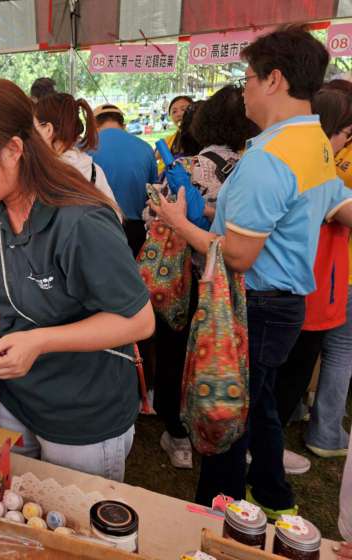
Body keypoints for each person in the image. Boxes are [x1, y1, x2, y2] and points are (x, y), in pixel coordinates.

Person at [153, 25, 352, 518]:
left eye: (247, 78)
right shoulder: (313, 141)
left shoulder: (269, 157)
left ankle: (220, 514)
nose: (243, 90)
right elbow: (328, 206)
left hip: (254, 304)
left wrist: (180, 223)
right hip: (282, 303)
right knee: (258, 403)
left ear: (274, 79)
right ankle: (272, 493)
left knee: (228, 417)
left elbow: (239, 256)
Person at [0, 79, 154, 481]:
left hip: (82, 412)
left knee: (73, 514)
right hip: (16, 399)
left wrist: (39, 341)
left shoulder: (80, 221)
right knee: (15, 501)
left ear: (14, 149)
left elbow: (139, 321)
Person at [146, 86, 259, 470]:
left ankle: (177, 436)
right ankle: (220, 427)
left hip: (184, 278)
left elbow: (153, 216)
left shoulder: (187, 166)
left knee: (174, 353)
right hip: (234, 284)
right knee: (223, 356)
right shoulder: (251, 168)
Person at [273, 87, 352, 473]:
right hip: (311, 289)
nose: (344, 144)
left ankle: (263, 442)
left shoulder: (283, 157)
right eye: (345, 135)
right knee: (290, 373)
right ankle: (265, 449)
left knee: (280, 371)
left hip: (293, 286)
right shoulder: (317, 169)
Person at [302, 84, 352, 459]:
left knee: (302, 352)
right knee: (339, 352)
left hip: (312, 273)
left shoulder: (296, 155)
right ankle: (326, 432)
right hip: (334, 275)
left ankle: (293, 413)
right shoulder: (321, 166)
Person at [92, 104, 157, 256]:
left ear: (94, 125)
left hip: (96, 227)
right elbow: (153, 190)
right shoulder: (146, 148)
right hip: (136, 230)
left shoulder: (82, 148)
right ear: (123, 125)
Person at [32, 92, 117, 205]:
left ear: (48, 129)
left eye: (34, 127)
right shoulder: (93, 170)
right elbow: (114, 212)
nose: (31, 134)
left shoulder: (39, 172)